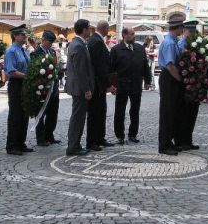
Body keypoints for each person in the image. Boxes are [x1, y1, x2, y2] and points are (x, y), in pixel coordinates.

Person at [110, 27, 151, 144]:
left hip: (136, 84)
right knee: (120, 111)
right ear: (124, 35)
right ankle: (120, 135)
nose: (134, 36)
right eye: (131, 34)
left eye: (134, 34)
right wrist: (112, 85)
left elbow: (145, 65)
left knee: (135, 111)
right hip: (122, 85)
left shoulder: (139, 48)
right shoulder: (116, 49)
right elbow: (111, 70)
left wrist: (147, 80)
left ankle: (133, 134)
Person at [65, 19, 94, 156]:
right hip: (79, 88)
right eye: (89, 28)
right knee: (78, 118)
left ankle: (75, 144)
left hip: (77, 87)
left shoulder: (78, 43)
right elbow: (81, 71)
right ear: (84, 29)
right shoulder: (78, 45)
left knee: (78, 117)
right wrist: (86, 89)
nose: (90, 30)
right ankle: (73, 146)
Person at [158, 13, 185, 155]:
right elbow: (170, 65)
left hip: (170, 78)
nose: (183, 30)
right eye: (182, 27)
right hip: (169, 78)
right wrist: (180, 79)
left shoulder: (173, 41)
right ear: (179, 27)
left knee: (172, 111)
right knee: (167, 112)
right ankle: (164, 145)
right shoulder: (169, 43)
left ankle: (169, 142)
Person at [86, 21, 115, 151]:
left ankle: (100, 138)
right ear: (106, 29)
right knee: (95, 113)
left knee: (101, 112)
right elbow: (100, 66)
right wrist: (107, 85)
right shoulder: (97, 41)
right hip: (97, 84)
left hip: (98, 84)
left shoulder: (95, 40)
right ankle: (93, 141)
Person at [4, 24, 32, 155]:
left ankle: (21, 142)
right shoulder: (11, 51)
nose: (25, 36)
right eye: (23, 34)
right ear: (15, 36)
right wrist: (28, 76)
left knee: (24, 114)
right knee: (15, 115)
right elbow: (11, 71)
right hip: (16, 84)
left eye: (25, 34)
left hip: (25, 84)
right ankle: (12, 145)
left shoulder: (24, 50)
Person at [175, 20, 201, 151]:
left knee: (192, 114)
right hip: (184, 86)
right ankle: (180, 140)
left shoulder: (198, 44)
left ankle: (188, 140)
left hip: (195, 85)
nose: (192, 34)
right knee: (183, 114)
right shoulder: (181, 44)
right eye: (190, 31)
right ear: (184, 31)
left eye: (194, 31)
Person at [31, 30, 61, 147]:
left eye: (52, 42)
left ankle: (50, 135)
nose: (51, 44)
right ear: (43, 40)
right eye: (49, 41)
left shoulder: (52, 52)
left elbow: (56, 67)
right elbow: (35, 70)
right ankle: (41, 138)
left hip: (53, 87)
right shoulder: (36, 53)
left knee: (53, 113)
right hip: (42, 88)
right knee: (41, 113)